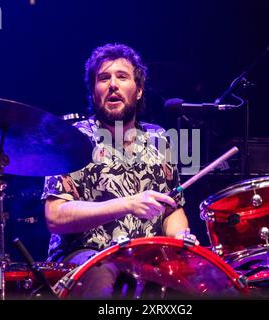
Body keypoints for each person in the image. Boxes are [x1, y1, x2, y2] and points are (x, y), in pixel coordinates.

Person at [41, 43, 195, 298]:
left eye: (122, 77)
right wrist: (128, 204)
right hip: (84, 261)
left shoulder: (159, 138)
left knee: (199, 276)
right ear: (93, 91)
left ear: (139, 90)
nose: (113, 84)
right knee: (106, 271)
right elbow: (55, 217)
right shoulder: (72, 139)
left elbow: (172, 208)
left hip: (147, 260)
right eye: (103, 78)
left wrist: (181, 239)